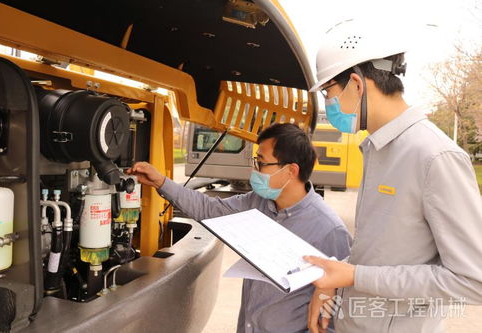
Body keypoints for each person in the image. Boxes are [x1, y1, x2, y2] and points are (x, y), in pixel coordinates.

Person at [303, 19, 482, 333]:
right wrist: (335, 279)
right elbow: (384, 250)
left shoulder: (434, 156)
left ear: (357, 84)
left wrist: (354, 277)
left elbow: (473, 280)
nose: (328, 105)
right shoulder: (377, 147)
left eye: (329, 92)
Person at [128, 123, 352, 333]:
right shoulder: (257, 203)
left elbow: (335, 311)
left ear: (291, 171)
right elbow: (208, 209)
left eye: (262, 163)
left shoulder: (329, 231)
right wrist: (160, 182)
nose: (255, 170)